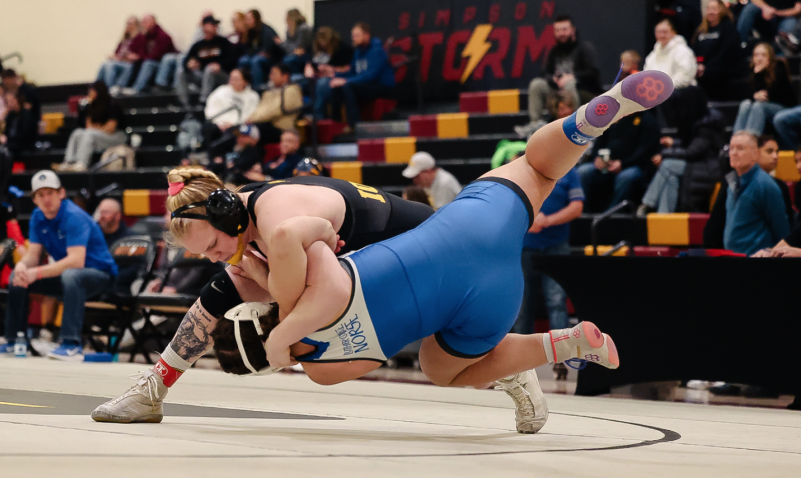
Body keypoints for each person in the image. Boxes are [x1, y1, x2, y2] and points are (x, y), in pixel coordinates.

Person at [192, 71, 673, 434]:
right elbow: (295, 239)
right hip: (462, 230)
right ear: (253, 311)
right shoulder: (305, 287)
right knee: (537, 168)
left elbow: (367, 349)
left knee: (440, 368)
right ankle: (583, 124)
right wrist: (279, 264)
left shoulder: (322, 371)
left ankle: (566, 344)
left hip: (491, 303)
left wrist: (282, 345)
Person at [91, 166, 437, 423]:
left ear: (226, 216)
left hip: (427, 242)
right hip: (381, 258)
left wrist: (260, 276)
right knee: (219, 291)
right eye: (203, 253)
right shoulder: (245, 212)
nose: (212, 257)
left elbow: (304, 300)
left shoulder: (276, 221)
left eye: (213, 245)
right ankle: (153, 388)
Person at [0, 170, 118, 360]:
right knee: (17, 277)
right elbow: (33, 255)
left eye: (50, 193)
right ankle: (14, 340)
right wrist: (22, 266)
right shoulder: (37, 216)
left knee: (71, 275)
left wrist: (37, 273)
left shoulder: (74, 216)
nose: (46, 199)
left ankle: (71, 344)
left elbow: (76, 261)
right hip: (70, 278)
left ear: (61, 193)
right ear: (34, 199)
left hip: (101, 277)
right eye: (41, 195)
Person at [511, 165, 584, 346]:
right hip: (524, 248)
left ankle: (561, 353)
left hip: (556, 247)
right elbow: (507, 205)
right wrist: (527, 220)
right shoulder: (519, 171)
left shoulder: (568, 171)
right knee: (522, 306)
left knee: (557, 302)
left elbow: (577, 207)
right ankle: (521, 355)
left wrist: (547, 221)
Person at [705, 132, 791, 255]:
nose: (734, 153)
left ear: (755, 154)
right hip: (734, 257)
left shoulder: (765, 185)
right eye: (731, 148)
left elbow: (781, 229)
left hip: (757, 260)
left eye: (740, 148)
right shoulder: (732, 182)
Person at [638, 98, 724, 214]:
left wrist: (664, 154)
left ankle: (647, 203)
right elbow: (691, 144)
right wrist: (674, 143)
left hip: (707, 167)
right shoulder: (696, 120)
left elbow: (693, 152)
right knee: (670, 179)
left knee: (667, 165)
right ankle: (664, 216)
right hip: (696, 163)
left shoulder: (707, 124)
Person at [520, 15, 601, 134]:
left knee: (569, 83)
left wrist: (573, 76)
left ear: (573, 30)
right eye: (557, 30)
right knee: (536, 84)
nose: (561, 33)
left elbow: (593, 73)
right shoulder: (554, 52)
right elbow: (545, 73)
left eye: (564, 29)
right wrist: (553, 79)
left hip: (582, 91)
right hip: (558, 93)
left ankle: (575, 124)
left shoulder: (584, 49)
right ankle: (535, 125)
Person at [317, 22, 396, 132]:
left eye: (357, 35)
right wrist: (334, 75)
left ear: (366, 36)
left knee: (348, 86)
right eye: (353, 36)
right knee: (336, 87)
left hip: (381, 86)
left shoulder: (377, 51)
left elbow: (370, 76)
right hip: (366, 84)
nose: (353, 38)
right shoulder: (358, 51)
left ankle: (355, 125)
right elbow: (353, 72)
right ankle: (336, 123)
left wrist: (345, 80)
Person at [577, 110, 661, 212]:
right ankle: (582, 213)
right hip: (607, 164)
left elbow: (644, 152)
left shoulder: (648, 121)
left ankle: (610, 214)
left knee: (627, 176)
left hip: (633, 166)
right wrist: (597, 158)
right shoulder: (612, 117)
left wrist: (623, 164)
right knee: (582, 171)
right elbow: (599, 144)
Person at [176, 15, 240, 109]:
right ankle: (184, 103)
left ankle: (203, 100)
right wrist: (189, 64)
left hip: (221, 75)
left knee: (210, 69)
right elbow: (186, 60)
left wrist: (220, 65)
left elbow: (232, 60)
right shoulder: (198, 45)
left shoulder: (223, 42)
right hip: (202, 76)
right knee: (181, 72)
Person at [61, 81, 126, 171]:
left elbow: (110, 129)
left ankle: (82, 164)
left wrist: (96, 128)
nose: (89, 93)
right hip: (98, 136)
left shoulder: (112, 105)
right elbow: (88, 126)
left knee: (89, 134)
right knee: (77, 132)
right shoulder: (91, 106)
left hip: (116, 136)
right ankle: (68, 162)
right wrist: (85, 108)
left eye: (91, 91)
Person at [692, 0, 749, 101]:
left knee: (710, 74)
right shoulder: (701, 30)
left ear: (722, 10)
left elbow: (727, 53)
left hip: (723, 69)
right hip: (703, 69)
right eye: (709, 9)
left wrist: (707, 68)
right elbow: (695, 50)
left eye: (714, 9)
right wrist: (699, 64)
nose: (711, 12)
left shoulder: (728, 28)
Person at [733, 43, 794, 137]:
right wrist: (754, 94)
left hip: (782, 106)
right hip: (763, 106)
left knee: (758, 105)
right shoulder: (752, 70)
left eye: (763, 55)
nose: (759, 58)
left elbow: (777, 94)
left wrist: (760, 74)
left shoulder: (779, 67)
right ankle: (736, 139)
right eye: (756, 55)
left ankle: (751, 140)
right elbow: (746, 94)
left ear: (770, 57)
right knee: (745, 104)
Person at [202, 68, 260, 150]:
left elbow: (250, 114)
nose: (232, 81)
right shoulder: (221, 91)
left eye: (236, 79)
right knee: (208, 128)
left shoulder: (253, 96)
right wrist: (220, 123)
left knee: (234, 133)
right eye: (231, 78)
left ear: (245, 81)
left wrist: (232, 123)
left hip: (238, 125)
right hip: (219, 123)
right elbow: (211, 109)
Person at [246, 64, 303, 144]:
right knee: (241, 130)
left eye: (274, 74)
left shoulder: (292, 90)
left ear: (285, 76)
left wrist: (254, 119)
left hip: (281, 128)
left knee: (251, 133)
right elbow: (260, 108)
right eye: (271, 74)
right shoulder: (268, 92)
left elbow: (276, 110)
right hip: (264, 124)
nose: (271, 76)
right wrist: (250, 118)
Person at [122, 15, 178, 95]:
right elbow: (133, 48)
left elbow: (156, 56)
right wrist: (134, 55)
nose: (142, 24)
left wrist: (139, 57)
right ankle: (120, 87)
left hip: (161, 65)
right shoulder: (145, 35)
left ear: (152, 23)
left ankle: (137, 89)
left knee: (148, 63)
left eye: (145, 22)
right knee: (131, 63)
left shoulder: (163, 36)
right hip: (149, 60)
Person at [307, 27, 355, 106]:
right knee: (303, 80)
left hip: (338, 75)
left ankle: (318, 111)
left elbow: (349, 68)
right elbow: (312, 62)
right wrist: (311, 68)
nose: (322, 44)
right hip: (321, 74)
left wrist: (332, 69)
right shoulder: (319, 49)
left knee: (322, 83)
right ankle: (312, 108)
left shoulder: (343, 49)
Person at [96, 17, 141, 94]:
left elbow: (139, 54)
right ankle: (97, 87)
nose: (128, 26)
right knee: (105, 63)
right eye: (127, 24)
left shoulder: (139, 38)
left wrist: (127, 57)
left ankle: (110, 87)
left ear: (136, 25)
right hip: (120, 60)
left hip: (129, 62)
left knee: (110, 65)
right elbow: (117, 52)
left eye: (130, 24)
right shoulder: (125, 38)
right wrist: (114, 57)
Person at [755, 135, 795, 224]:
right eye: (769, 151)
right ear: (755, 153)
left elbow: (787, 220)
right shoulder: (739, 182)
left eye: (776, 152)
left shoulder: (780, 186)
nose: (775, 156)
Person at [239, 10, 281, 88]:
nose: (246, 22)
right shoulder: (249, 32)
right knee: (243, 60)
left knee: (256, 61)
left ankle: (257, 87)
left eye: (248, 19)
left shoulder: (266, 30)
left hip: (271, 59)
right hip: (255, 55)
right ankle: (241, 85)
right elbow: (247, 49)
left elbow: (269, 49)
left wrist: (260, 53)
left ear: (255, 19)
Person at [736, 0, 801, 47]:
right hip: (763, 10)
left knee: (790, 26)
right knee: (749, 9)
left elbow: (798, 9)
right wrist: (765, 8)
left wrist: (777, 13)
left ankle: (778, 53)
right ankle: (740, 43)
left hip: (786, 17)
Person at [1, 91, 37, 156]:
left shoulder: (27, 115)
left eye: (10, 101)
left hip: (23, 145)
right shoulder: (11, 115)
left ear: (16, 100)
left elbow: (26, 135)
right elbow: (6, 131)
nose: (8, 104)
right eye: (6, 102)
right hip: (11, 143)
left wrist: (8, 139)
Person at [280, 9, 313, 76]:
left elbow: (300, 47)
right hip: (294, 53)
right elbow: (290, 47)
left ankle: (294, 77)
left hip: (306, 54)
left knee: (288, 60)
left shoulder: (304, 29)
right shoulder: (289, 31)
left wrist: (284, 44)